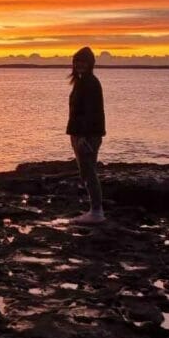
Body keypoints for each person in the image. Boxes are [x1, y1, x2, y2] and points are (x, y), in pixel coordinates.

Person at [66, 46, 106, 223]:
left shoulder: (90, 83)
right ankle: (94, 209)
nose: (79, 65)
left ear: (90, 64)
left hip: (87, 135)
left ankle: (96, 211)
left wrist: (83, 136)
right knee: (85, 172)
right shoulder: (81, 82)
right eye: (76, 62)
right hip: (79, 133)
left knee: (89, 172)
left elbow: (91, 112)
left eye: (82, 62)